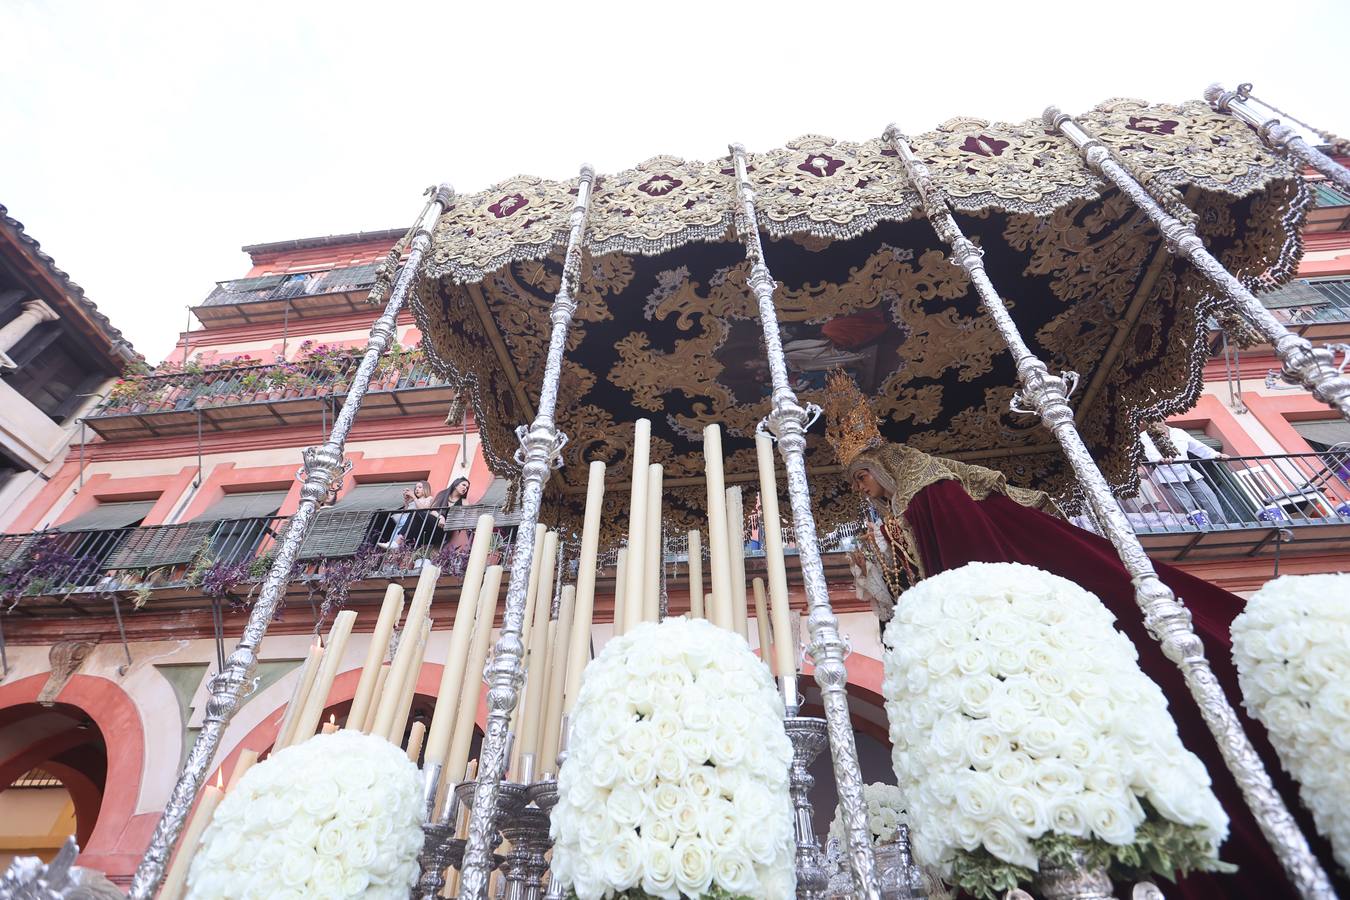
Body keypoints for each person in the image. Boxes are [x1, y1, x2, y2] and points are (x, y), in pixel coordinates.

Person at [824, 371, 1339, 900]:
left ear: (882, 466)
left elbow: (963, 559)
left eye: (861, 478)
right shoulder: (906, 512)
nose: (861, 491)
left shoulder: (932, 491)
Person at [1138, 423, 1229, 524]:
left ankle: (1221, 525)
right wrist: (1160, 459)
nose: (1155, 420)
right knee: (1187, 506)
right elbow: (1150, 452)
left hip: (1190, 473)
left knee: (1209, 498)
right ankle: (1202, 528)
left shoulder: (1178, 432)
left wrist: (1216, 455)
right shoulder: (1144, 436)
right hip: (1170, 477)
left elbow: (1198, 446)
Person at [377, 480, 433, 551]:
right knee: (398, 530)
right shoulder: (413, 501)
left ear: (426, 489)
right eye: (415, 488)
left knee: (402, 530)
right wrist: (406, 501)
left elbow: (423, 510)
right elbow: (406, 511)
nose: (417, 489)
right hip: (405, 522)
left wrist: (414, 497)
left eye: (420, 487)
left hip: (414, 523)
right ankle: (392, 544)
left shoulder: (429, 498)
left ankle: (395, 544)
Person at [433, 476, 473, 550]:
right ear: (456, 484)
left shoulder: (464, 501)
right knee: (417, 515)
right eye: (463, 485)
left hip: (448, 530)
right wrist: (441, 517)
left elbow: (466, 517)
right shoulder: (442, 494)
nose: (465, 488)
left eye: (467, 487)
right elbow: (432, 510)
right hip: (435, 523)